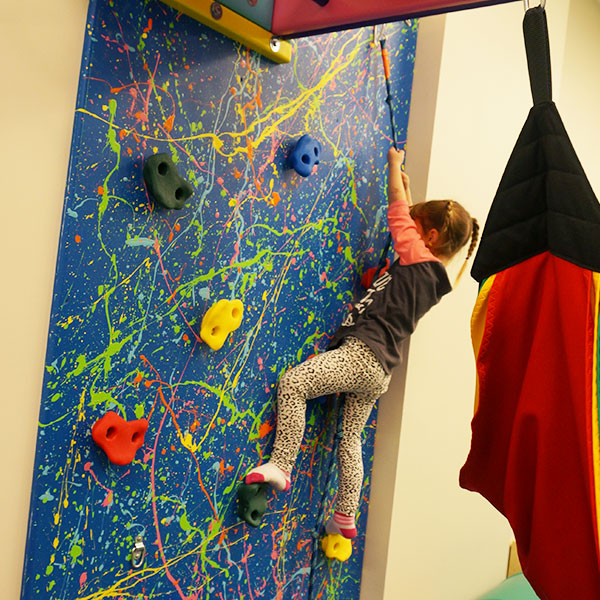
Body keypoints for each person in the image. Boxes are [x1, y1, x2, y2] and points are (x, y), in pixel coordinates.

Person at [245, 147, 480, 539]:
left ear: (431, 237)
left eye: (417, 227)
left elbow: (397, 210)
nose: (408, 230)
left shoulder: (418, 258)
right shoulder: (432, 279)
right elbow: (390, 282)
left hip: (360, 355)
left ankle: (281, 464)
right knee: (350, 436)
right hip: (380, 372)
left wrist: (393, 166)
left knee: (294, 384)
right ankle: (345, 515)